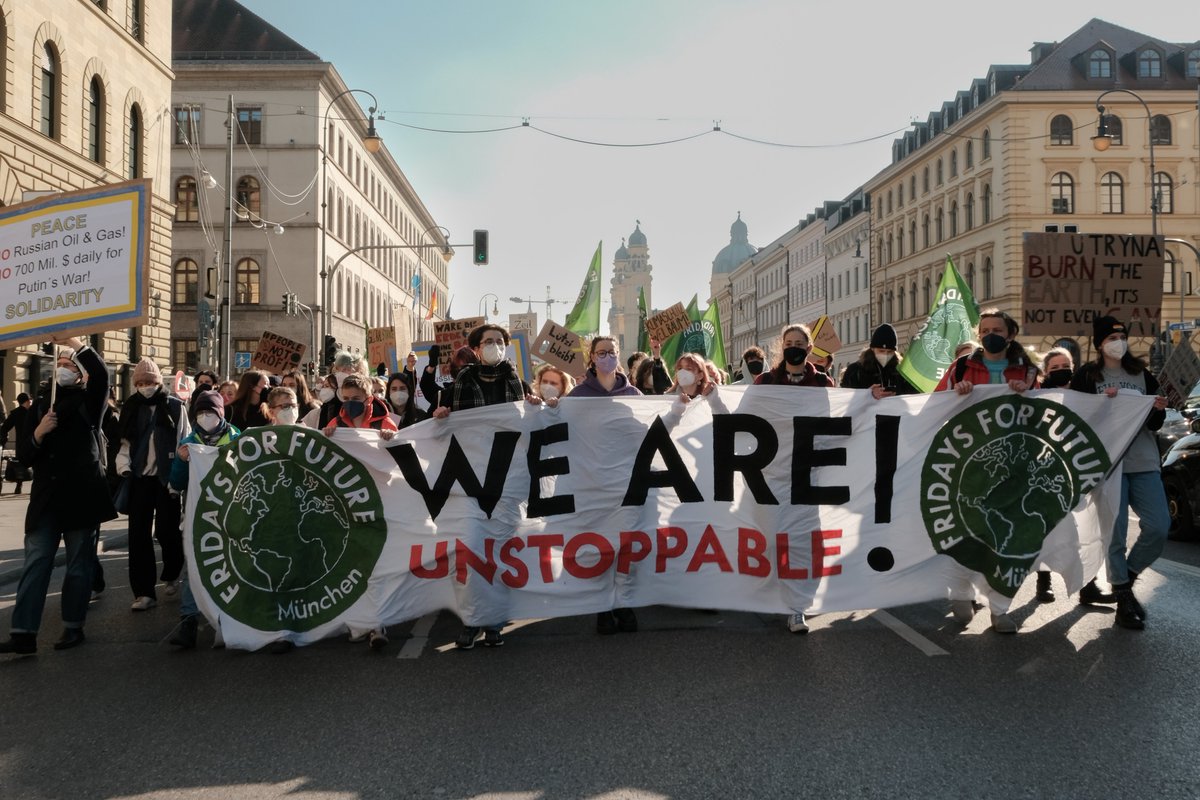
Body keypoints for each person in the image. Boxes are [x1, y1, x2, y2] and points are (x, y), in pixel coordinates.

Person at [1, 338, 115, 655]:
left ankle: (73, 625)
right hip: (46, 500)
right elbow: (25, 455)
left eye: (70, 366)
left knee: (78, 566)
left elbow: (101, 374)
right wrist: (40, 432)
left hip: (81, 497)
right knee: (36, 563)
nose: (64, 369)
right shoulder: (40, 406)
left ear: (80, 374)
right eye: (60, 365)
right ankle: (23, 633)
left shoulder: (90, 402)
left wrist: (73, 342)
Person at [934, 309, 1037, 633]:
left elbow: (1044, 412)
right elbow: (934, 406)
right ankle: (960, 591)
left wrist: (1027, 392)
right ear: (979, 334)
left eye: (998, 329)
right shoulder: (961, 367)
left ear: (1010, 334)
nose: (991, 334)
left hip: (1012, 468)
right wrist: (956, 394)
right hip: (970, 466)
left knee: (1006, 540)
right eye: (986, 329)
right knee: (967, 533)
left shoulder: (1027, 370)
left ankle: (999, 609)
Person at [432, 324, 534, 649]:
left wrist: (539, 406)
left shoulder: (517, 382)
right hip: (471, 478)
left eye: (499, 341)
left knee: (501, 551)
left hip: (506, 478)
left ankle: (494, 622)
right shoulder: (462, 381)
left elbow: (530, 424)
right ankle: (472, 620)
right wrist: (442, 414)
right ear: (476, 349)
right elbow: (443, 426)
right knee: (472, 549)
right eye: (488, 341)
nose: (494, 346)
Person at [1070, 316, 1170, 630]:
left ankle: (1126, 577)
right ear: (1100, 343)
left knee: (1159, 526)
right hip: (1108, 465)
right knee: (1116, 532)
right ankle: (1124, 598)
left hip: (1143, 461)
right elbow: (1076, 418)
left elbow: (1155, 423)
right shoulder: (1088, 376)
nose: (1119, 342)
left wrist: (1157, 408)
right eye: (1112, 338)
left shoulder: (1142, 374)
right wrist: (1102, 404)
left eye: (1122, 336)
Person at [322, 372, 397, 651]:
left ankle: (377, 624)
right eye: (346, 398)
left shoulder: (383, 421)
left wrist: (390, 439)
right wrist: (327, 436)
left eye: (356, 398)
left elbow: (399, 453)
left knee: (376, 564)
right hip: (348, 504)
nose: (350, 403)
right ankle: (359, 622)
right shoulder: (336, 422)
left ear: (369, 398)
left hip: (380, 501)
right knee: (354, 564)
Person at [166, 389, 242, 649]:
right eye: (201, 412)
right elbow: (176, 482)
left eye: (210, 412)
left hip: (230, 515)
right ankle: (188, 621)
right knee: (195, 566)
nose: (205, 417)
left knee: (230, 565)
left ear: (221, 413)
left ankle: (229, 619)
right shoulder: (189, 442)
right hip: (199, 515)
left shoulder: (237, 438)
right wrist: (181, 461)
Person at [116, 359, 191, 612]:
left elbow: (184, 439)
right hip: (140, 478)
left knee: (167, 531)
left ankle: (172, 572)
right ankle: (144, 592)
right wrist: (123, 466)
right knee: (138, 535)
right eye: (140, 382)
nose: (145, 386)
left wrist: (180, 476)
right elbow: (124, 442)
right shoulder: (131, 406)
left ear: (158, 382)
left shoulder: (174, 406)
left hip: (167, 478)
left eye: (149, 382)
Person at [839, 323, 918, 398]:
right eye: (881, 351)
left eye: (889, 352)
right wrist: (868, 394)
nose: (885, 355)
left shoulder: (902, 372)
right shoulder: (855, 371)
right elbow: (845, 399)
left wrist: (897, 392)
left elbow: (915, 396)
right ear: (872, 349)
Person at [755, 324, 835, 389]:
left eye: (799, 344)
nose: (793, 347)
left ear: (809, 348)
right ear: (783, 347)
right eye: (788, 344)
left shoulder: (823, 382)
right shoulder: (764, 381)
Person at [568, 336, 641, 399]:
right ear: (593, 357)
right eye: (601, 353)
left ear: (618, 355)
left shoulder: (632, 393)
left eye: (612, 352)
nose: (608, 357)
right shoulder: (578, 394)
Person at [1, 392, 33, 494]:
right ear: (27, 401)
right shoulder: (32, 412)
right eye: (30, 400)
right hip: (32, 442)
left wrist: (3, 437)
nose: (31, 402)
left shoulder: (16, 413)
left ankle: (19, 486)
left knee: (21, 465)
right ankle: (26, 486)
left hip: (21, 444)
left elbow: (5, 427)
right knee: (31, 464)